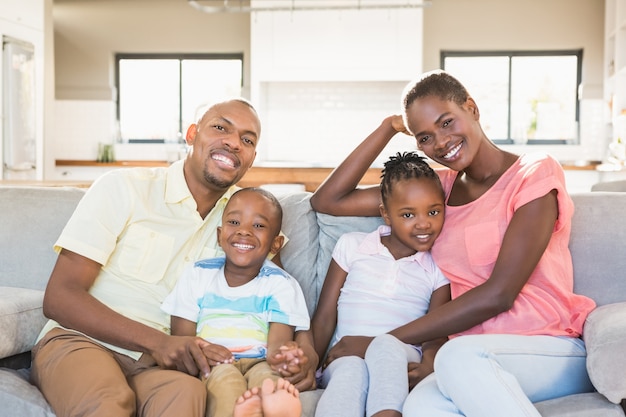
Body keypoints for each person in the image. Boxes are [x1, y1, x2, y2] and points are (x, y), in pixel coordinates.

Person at [310, 70, 597, 416]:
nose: (441, 142)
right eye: (425, 137)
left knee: (460, 358)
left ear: (471, 109)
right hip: (463, 354)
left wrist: (383, 341)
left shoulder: (533, 173)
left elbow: (499, 294)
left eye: (447, 122)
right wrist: (388, 128)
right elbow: (328, 200)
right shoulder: (436, 192)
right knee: (419, 408)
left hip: (544, 344)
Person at [30, 98, 317, 417]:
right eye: (221, 127)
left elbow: (280, 290)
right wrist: (158, 341)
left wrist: (307, 351)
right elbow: (59, 297)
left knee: (186, 393)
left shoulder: (241, 221)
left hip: (162, 366)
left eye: (247, 140)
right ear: (192, 134)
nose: (234, 142)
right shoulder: (125, 188)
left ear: (252, 157)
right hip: (82, 342)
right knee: (109, 402)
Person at [312, 152, 450, 417]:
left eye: (433, 211)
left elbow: (437, 331)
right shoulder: (353, 245)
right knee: (351, 370)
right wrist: (312, 365)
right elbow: (325, 316)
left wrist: (429, 364)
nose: (424, 223)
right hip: (345, 357)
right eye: (408, 214)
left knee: (387, 348)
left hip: (401, 356)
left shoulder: (438, 266)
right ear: (386, 215)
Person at [161, 187, 309, 417]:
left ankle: (272, 408)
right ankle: (247, 411)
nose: (244, 232)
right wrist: (205, 350)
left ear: (275, 244)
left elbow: (276, 347)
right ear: (220, 235)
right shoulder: (198, 274)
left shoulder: (282, 284)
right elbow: (182, 337)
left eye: (258, 226)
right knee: (225, 382)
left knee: (269, 381)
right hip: (215, 363)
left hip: (261, 361)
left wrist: (285, 356)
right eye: (234, 222)